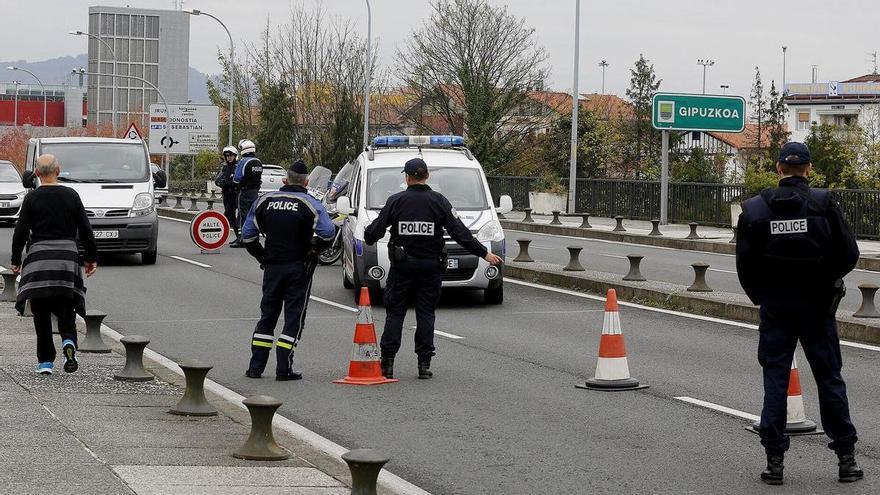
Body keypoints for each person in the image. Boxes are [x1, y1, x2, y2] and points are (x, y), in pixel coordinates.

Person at [736, 142, 863, 485]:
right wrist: (827, 281)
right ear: (809, 169)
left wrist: (762, 296)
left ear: (778, 169)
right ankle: (846, 461)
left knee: (776, 379)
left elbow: (744, 264)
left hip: (776, 307)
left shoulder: (755, 209)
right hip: (818, 306)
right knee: (829, 378)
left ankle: (774, 463)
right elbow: (849, 253)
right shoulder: (823, 204)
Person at [364, 157, 503, 379]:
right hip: (430, 267)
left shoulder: (395, 201)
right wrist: (484, 254)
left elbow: (374, 233)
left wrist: (369, 234)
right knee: (426, 313)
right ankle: (424, 364)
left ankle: (388, 363)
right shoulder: (439, 201)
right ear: (427, 176)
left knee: (395, 312)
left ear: (407, 177)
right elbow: (460, 233)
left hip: (402, 267)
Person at [240, 160, 335, 380]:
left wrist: (262, 256)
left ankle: (255, 367)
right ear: (306, 181)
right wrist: (313, 252)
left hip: (272, 267)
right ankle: (284, 369)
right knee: (293, 318)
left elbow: (248, 235)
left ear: (285, 180)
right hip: (298, 268)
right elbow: (328, 234)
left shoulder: (265, 200)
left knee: (268, 316)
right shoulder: (311, 204)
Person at [10, 154, 98, 375]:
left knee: (40, 312)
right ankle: (69, 342)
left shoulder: (32, 199)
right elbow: (86, 229)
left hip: (39, 257)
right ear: (58, 171)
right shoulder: (71, 195)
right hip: (67, 258)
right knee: (66, 307)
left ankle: (45, 362)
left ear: (37, 173)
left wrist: (15, 260)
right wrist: (91, 258)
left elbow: (20, 231)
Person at [230, 139, 263, 247]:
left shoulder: (243, 162)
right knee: (253, 215)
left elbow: (236, 179)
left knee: (242, 216)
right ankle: (254, 237)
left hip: (244, 192)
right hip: (255, 193)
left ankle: (241, 239)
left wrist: (236, 185)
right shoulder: (258, 162)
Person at [214, 145, 239, 238]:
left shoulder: (237, 167)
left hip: (234, 194)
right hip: (225, 194)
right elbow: (217, 179)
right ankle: (236, 237)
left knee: (228, 215)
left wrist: (226, 183)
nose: (229, 158)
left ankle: (220, 236)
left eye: (231, 156)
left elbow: (236, 181)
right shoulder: (224, 167)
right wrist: (221, 183)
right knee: (230, 216)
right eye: (227, 156)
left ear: (235, 156)